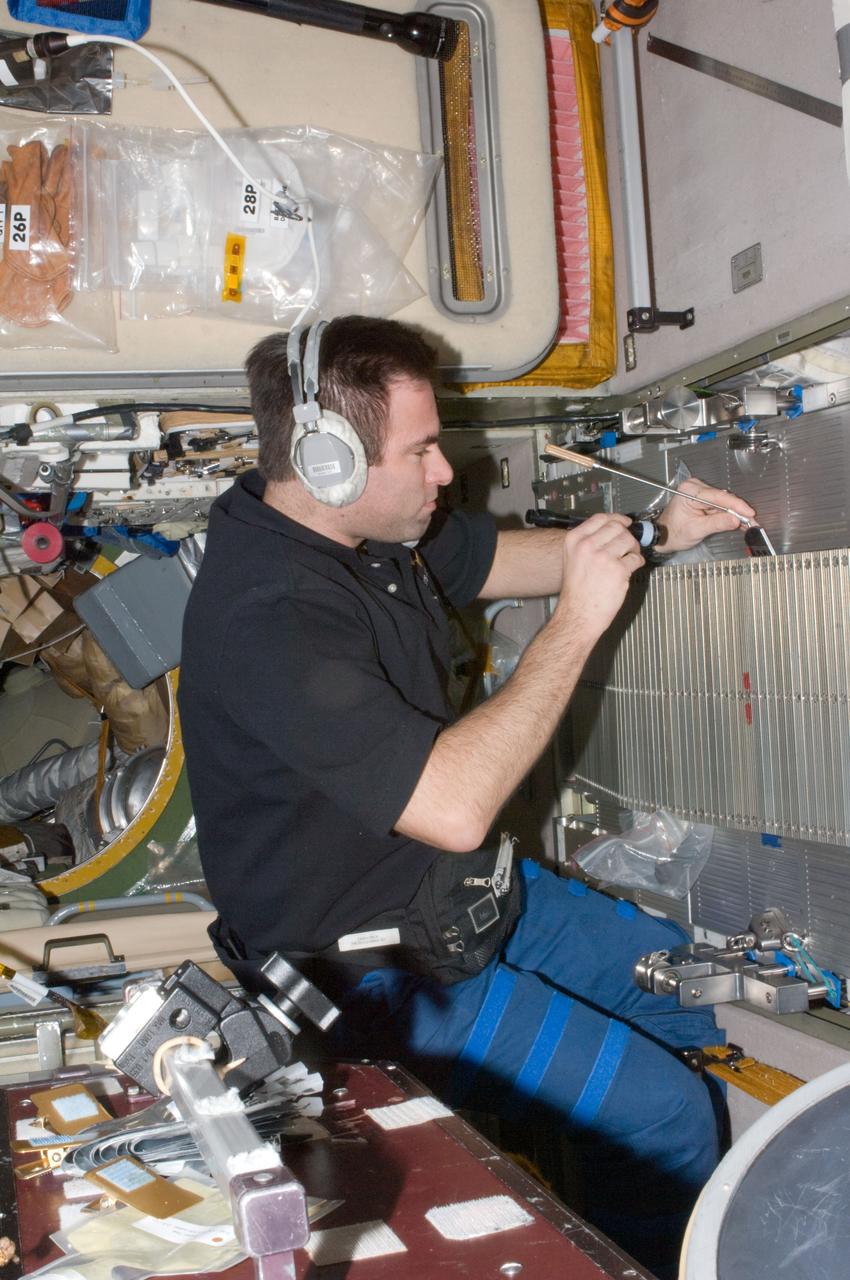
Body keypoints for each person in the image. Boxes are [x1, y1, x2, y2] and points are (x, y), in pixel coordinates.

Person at [178, 315, 756, 1279]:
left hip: (458, 899)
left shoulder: (356, 527)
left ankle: (596, 1215)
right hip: (376, 974)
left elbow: (492, 561)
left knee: (691, 991)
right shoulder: (267, 615)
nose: (445, 472)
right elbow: (452, 808)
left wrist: (656, 534)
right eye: (421, 451)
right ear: (327, 461)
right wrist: (575, 625)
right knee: (667, 1117)